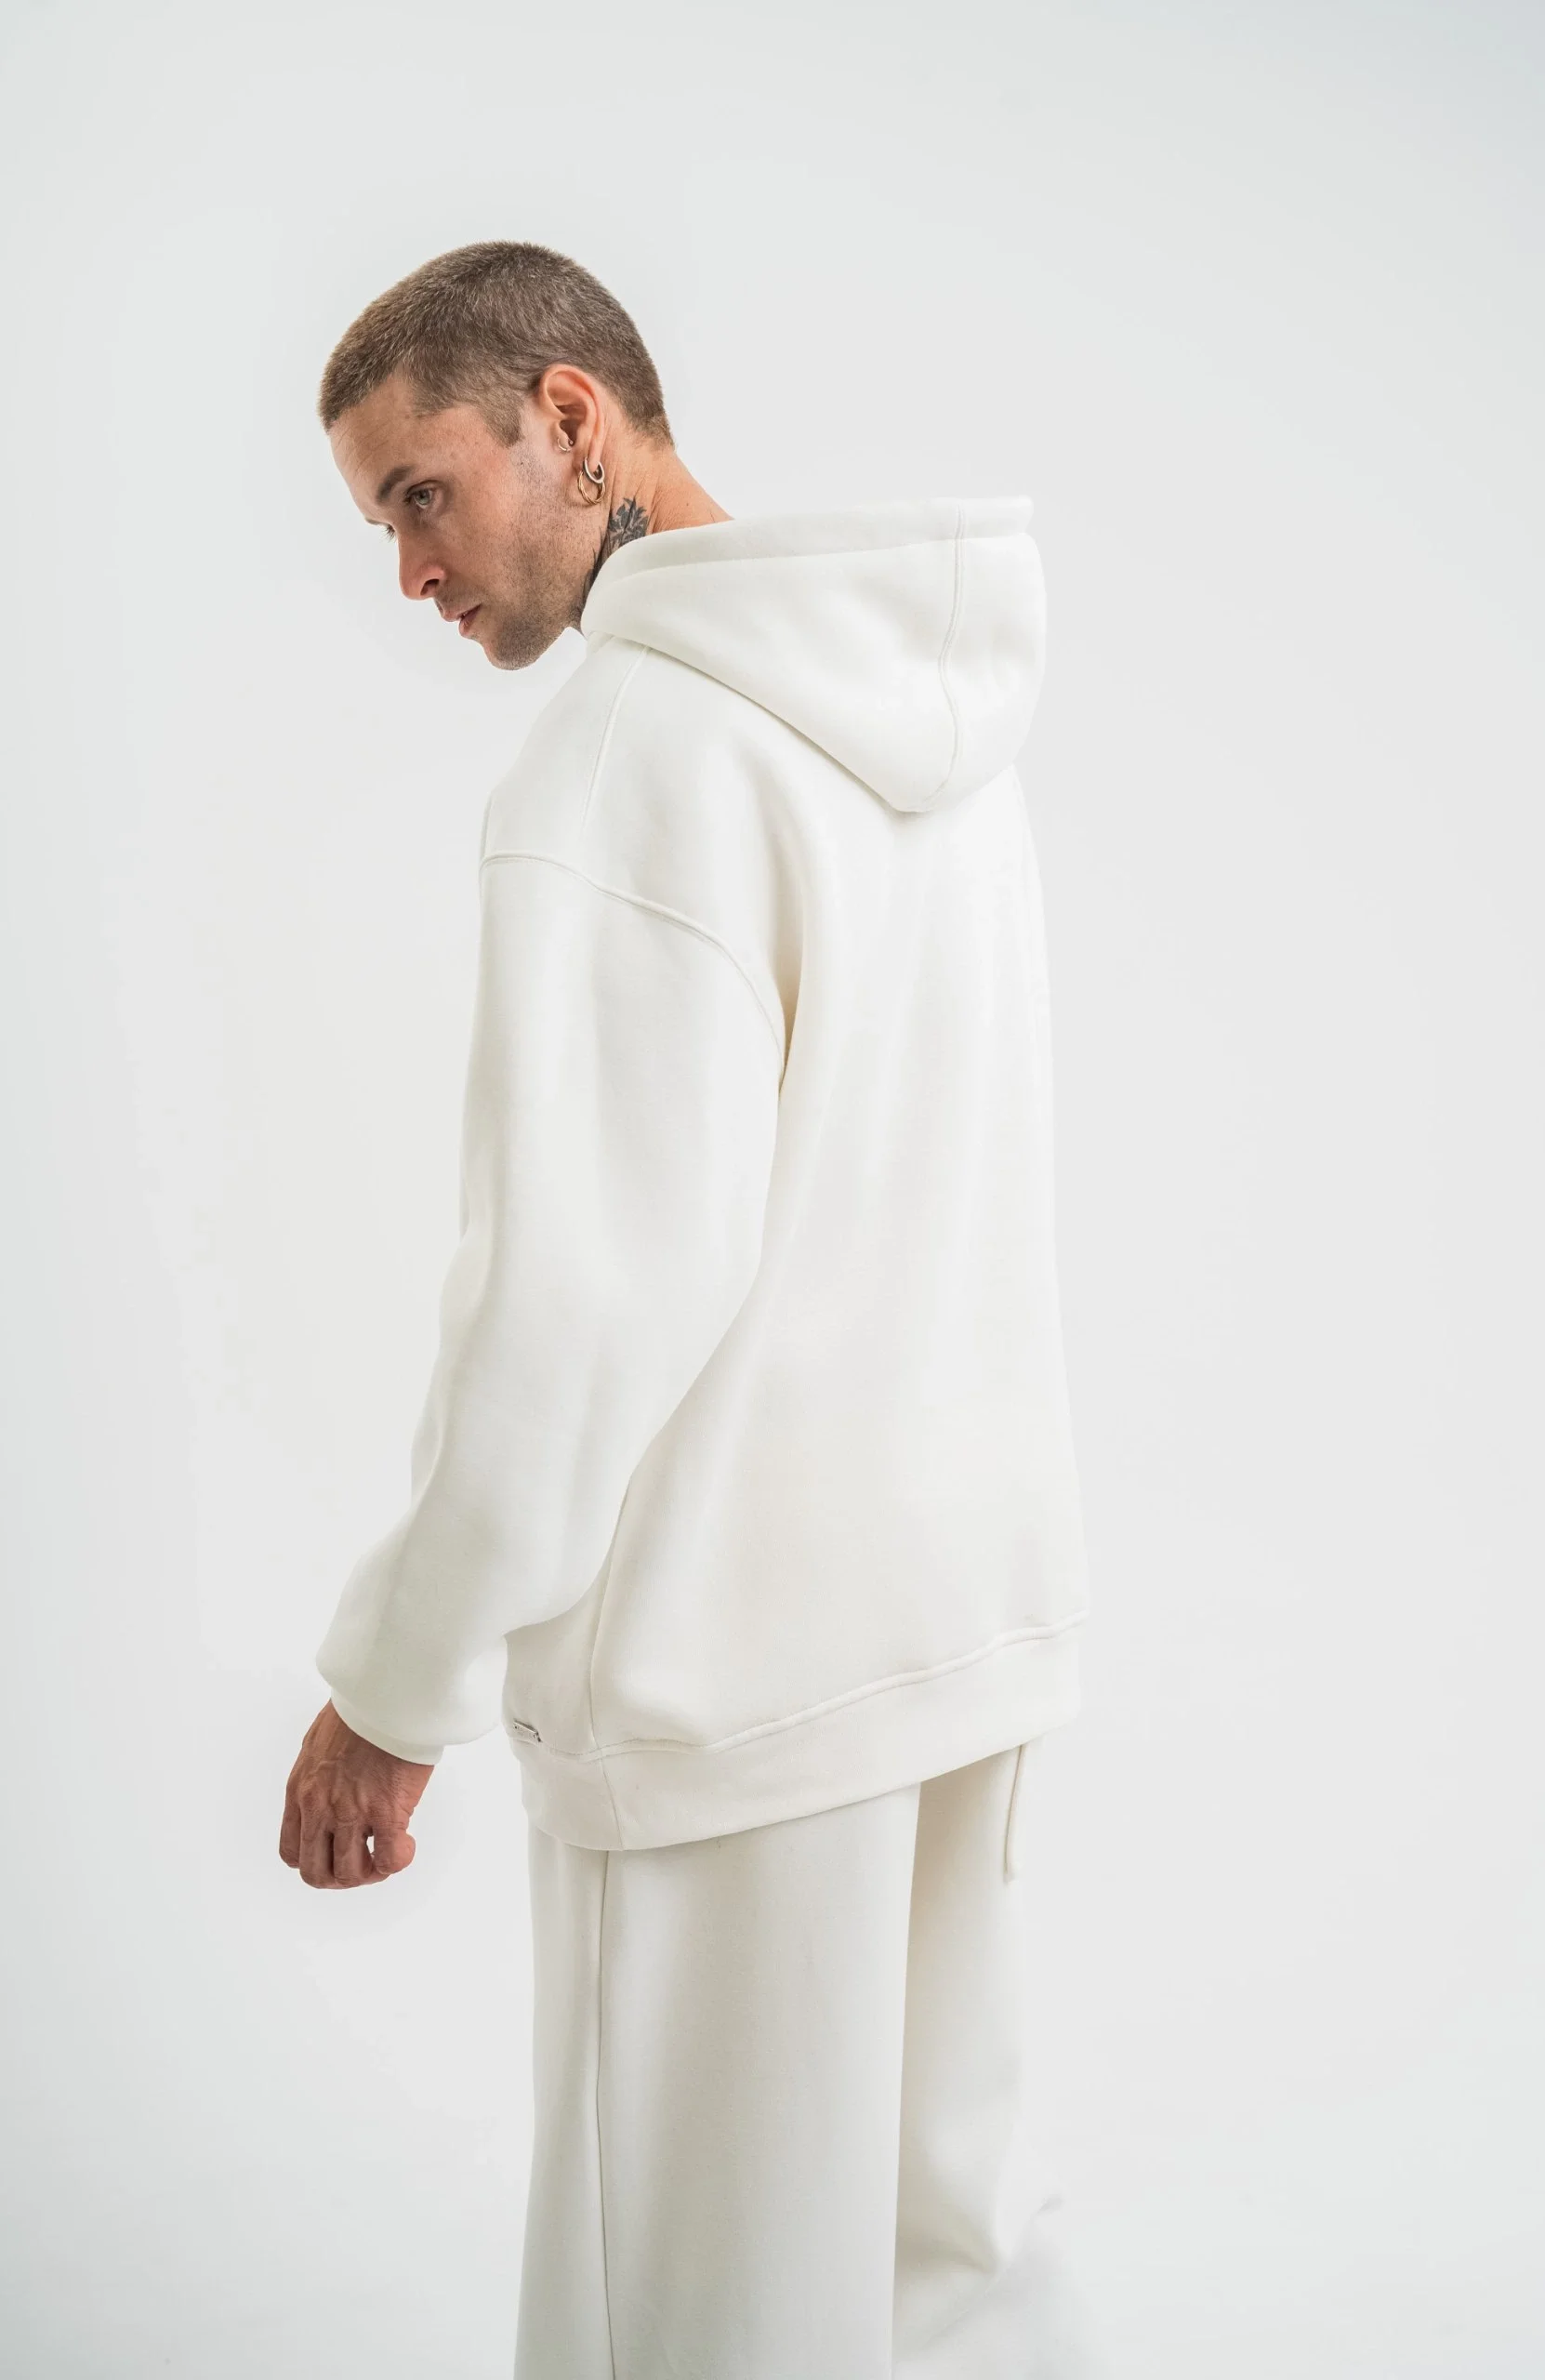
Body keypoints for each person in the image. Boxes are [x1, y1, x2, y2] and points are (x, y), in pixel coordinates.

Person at [278, 240, 1094, 2379]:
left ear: (570, 418)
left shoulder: (634, 758)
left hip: (729, 1691)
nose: (408, 570)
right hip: (958, 1633)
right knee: (942, 2278)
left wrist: (396, 1679)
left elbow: (577, 1296)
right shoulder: (940, 724)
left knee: (697, 2321)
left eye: (421, 494)